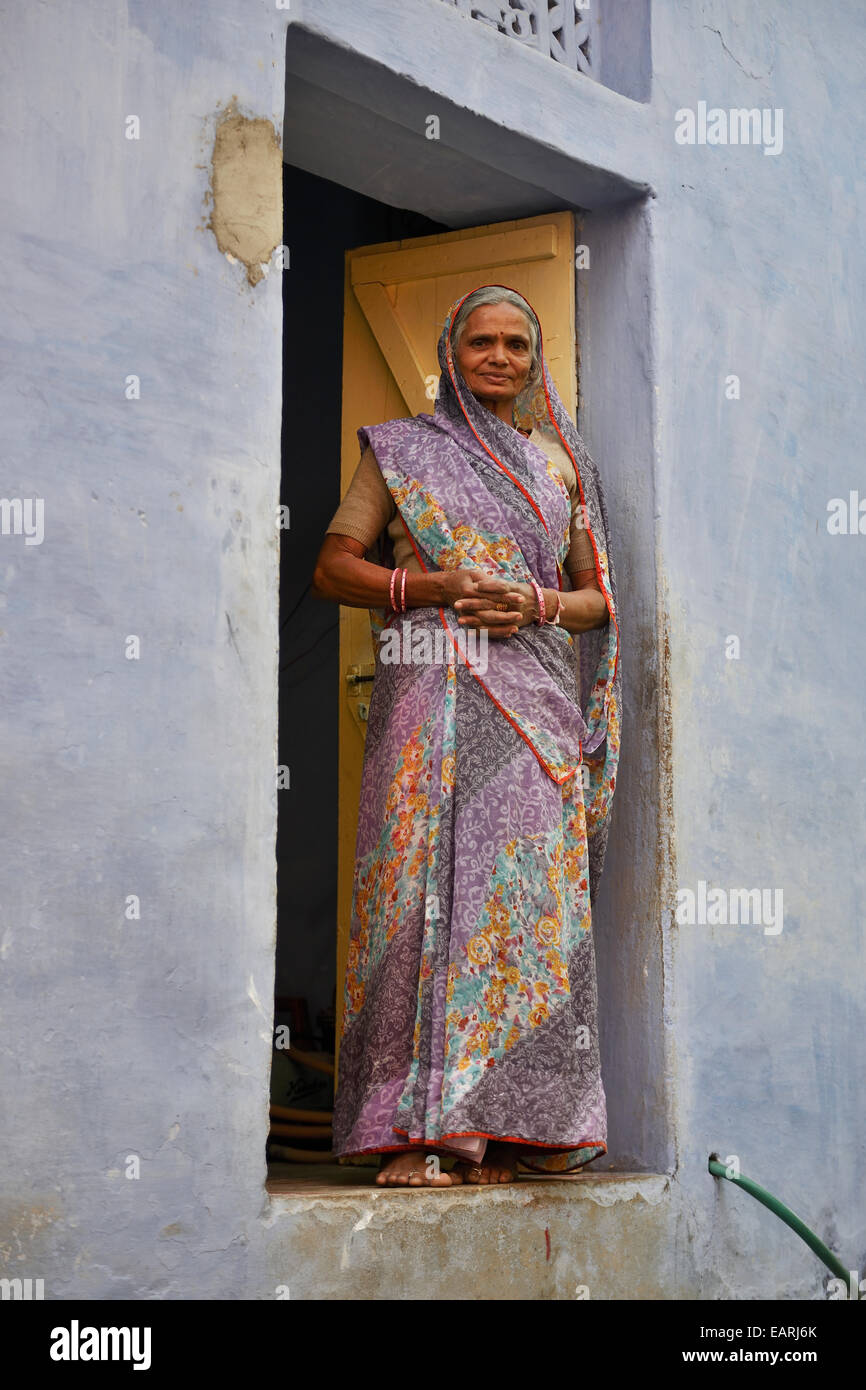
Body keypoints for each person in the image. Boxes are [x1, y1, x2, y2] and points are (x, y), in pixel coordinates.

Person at [312, 284, 621, 1186]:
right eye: (480, 341)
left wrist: (534, 602)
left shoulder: (559, 468)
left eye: (515, 345)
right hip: (426, 700)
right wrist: (433, 589)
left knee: (518, 904)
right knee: (415, 897)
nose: (498, 357)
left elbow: (599, 597)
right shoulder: (402, 451)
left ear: (533, 361)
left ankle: (515, 1131)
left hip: (531, 708)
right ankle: (416, 1131)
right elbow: (334, 565)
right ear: (450, 353)